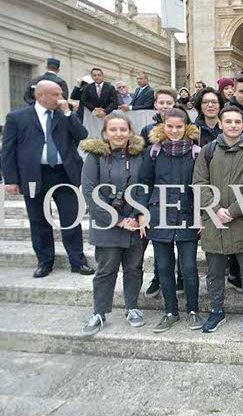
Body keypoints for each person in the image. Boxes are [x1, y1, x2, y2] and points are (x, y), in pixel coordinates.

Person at [2, 81, 94, 278]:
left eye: (61, 94)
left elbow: (82, 134)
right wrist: (10, 179)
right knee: (38, 220)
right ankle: (45, 262)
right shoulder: (17, 117)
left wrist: (68, 113)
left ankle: (78, 261)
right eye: (56, 95)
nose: (61, 98)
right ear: (41, 96)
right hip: (33, 175)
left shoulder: (64, 114)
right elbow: (8, 150)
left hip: (64, 174)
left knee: (71, 219)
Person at [192, 106, 243, 334]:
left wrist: (232, 211)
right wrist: (216, 209)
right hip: (214, 220)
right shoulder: (208, 151)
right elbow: (199, 183)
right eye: (228, 121)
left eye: (237, 122)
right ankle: (216, 311)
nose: (233, 125)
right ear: (220, 124)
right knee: (214, 271)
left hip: (242, 219)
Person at [80, 113, 147, 336]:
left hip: (134, 224)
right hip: (106, 224)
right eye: (113, 130)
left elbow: (145, 186)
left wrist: (137, 215)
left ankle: (132, 307)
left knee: (134, 268)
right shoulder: (95, 157)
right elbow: (90, 192)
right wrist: (117, 220)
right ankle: (99, 312)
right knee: (106, 269)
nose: (119, 134)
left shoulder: (139, 155)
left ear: (130, 132)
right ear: (105, 133)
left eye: (123, 129)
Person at [136, 108, 202, 333]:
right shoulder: (154, 151)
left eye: (179, 127)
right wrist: (141, 212)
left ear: (186, 127)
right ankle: (170, 311)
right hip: (159, 215)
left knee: (189, 267)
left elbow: (202, 187)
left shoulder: (196, 152)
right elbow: (144, 184)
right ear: (163, 127)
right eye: (170, 126)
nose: (174, 131)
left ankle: (193, 310)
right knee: (164, 267)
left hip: (187, 216)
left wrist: (202, 216)